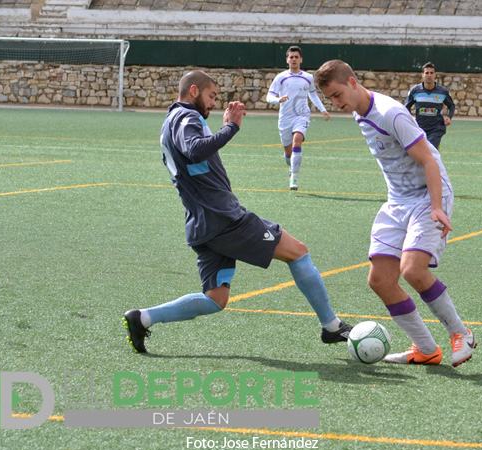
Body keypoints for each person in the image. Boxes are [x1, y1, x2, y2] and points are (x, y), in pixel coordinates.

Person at [122, 70, 351, 353]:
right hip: (224, 219)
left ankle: (142, 318)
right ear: (194, 91)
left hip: (201, 225)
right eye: (211, 96)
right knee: (299, 252)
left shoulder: (171, 121)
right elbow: (194, 150)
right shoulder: (186, 117)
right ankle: (332, 327)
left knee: (215, 299)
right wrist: (230, 127)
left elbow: (194, 158)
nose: (213, 103)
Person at [314, 60, 476, 367]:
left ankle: (461, 333)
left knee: (413, 270)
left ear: (352, 82)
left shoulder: (390, 113)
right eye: (329, 99)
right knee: (380, 280)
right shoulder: (357, 113)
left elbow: (428, 161)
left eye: (336, 95)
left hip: (428, 195)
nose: (335, 104)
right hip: (397, 201)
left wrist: (438, 207)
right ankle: (426, 350)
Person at [266, 46, 330, 191]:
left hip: (301, 116)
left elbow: (313, 95)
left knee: (297, 141)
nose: (294, 59)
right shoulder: (281, 77)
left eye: (296, 57)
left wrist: (323, 110)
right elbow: (269, 96)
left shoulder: (308, 77)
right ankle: (291, 167)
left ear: (301, 59)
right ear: (287, 60)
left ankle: (294, 178)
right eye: (291, 57)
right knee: (288, 154)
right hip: (285, 118)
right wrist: (278, 99)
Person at [404, 62, 455, 150]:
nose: (429, 75)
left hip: (436, 128)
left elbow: (451, 105)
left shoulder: (442, 91)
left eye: (431, 73)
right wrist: (410, 119)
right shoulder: (415, 91)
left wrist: (449, 117)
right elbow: (406, 107)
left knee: (430, 150)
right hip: (419, 128)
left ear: (435, 75)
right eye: (426, 73)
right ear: (422, 75)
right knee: (418, 153)